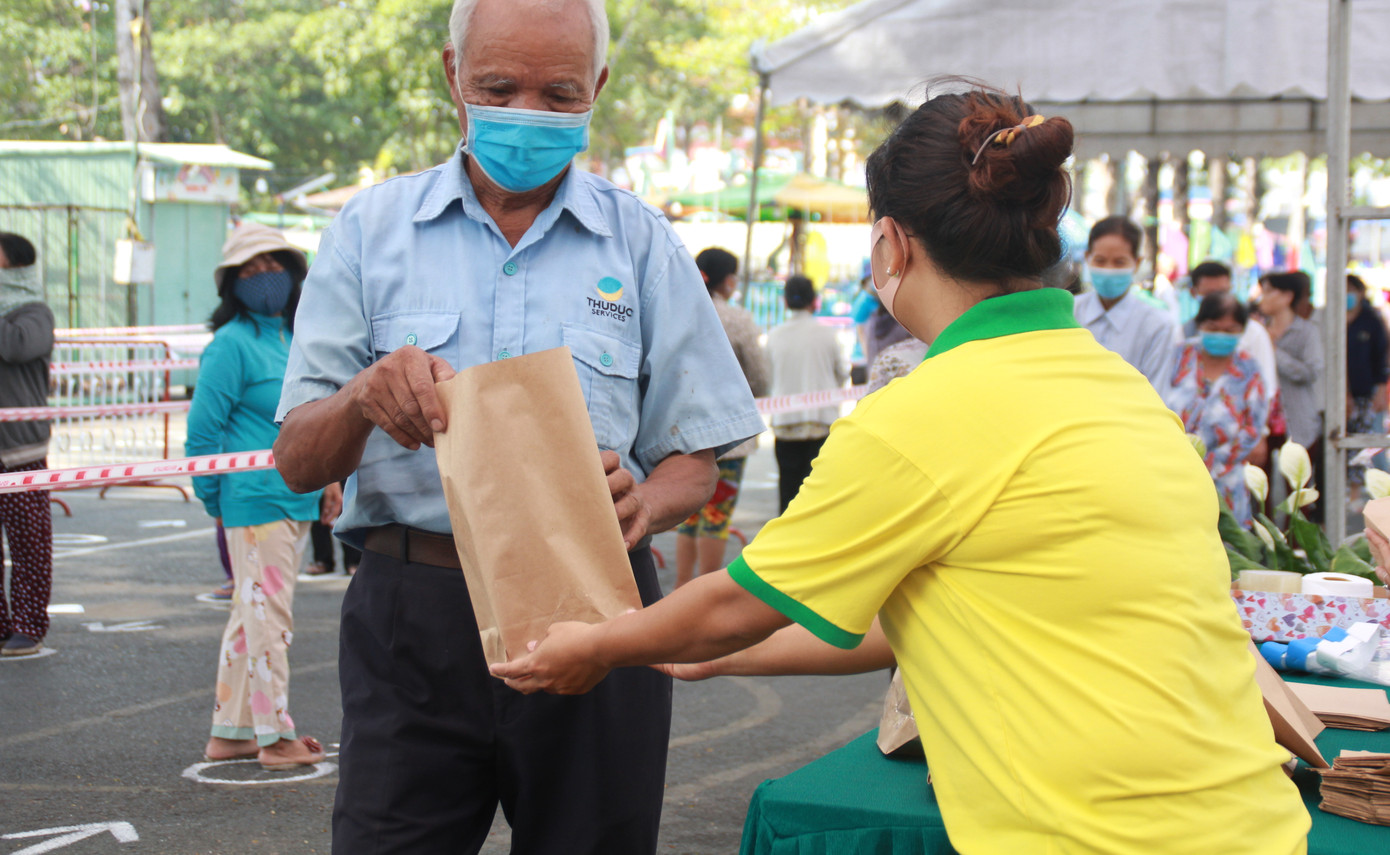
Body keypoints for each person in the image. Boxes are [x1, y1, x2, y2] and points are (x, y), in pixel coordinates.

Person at [492, 84, 1309, 855]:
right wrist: (699, 653)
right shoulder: (1116, 385)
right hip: (1254, 821)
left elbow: (737, 602)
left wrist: (601, 643)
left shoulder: (924, 412)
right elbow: (914, 619)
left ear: (890, 242)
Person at [272, 0, 763, 855]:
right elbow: (298, 457)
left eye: (559, 93)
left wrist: (647, 502)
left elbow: (702, 452)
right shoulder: (368, 232)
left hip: (600, 608)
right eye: (499, 86)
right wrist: (362, 400)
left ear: (599, 86)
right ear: (452, 73)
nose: (527, 115)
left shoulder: (643, 243)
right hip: (411, 615)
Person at [187, 222, 331, 770]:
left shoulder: (294, 338)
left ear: (294, 274)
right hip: (253, 502)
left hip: (291, 499)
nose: (263, 277)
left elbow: (311, 421)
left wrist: (328, 482)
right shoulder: (229, 346)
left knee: (251, 619)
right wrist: (216, 502)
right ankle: (275, 737)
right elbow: (203, 434)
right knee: (270, 620)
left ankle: (232, 732)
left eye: (272, 265)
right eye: (249, 269)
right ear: (230, 285)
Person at [673, 248, 769, 587]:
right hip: (729, 437)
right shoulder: (738, 319)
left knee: (687, 516)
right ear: (727, 279)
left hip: (680, 435)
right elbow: (759, 377)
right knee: (716, 516)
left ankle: (679, 590)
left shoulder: (676, 312)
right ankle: (703, 594)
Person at [1162, 293, 1268, 526]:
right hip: (1173, 475)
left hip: (1226, 481)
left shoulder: (1249, 368)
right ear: (1200, 325)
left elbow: (1253, 428)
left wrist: (1211, 464)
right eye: (1213, 327)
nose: (1221, 335)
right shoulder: (1178, 356)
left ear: (1241, 330)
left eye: (1230, 330)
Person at [0, 233, 54, 658]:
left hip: (19, 450)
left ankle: (29, 624)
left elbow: (16, 347)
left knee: (29, 542)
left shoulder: (34, 312)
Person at [766, 274, 848, 514]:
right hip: (821, 423)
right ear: (814, 300)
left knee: (788, 494)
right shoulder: (827, 334)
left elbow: (767, 375)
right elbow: (842, 373)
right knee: (816, 498)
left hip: (785, 424)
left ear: (786, 301)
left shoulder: (774, 335)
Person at [1073, 215, 1182, 388]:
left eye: (1119, 262)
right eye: (1100, 261)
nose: (1108, 270)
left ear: (1137, 263)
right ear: (1087, 257)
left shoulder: (1157, 325)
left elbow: (1156, 392)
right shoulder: (1069, 312)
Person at [1185, 259, 1278, 405]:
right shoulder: (1183, 335)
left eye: (1222, 292)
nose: (1217, 300)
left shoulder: (1254, 333)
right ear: (1194, 292)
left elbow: (1267, 390)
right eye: (1212, 328)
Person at [1258, 271, 1324, 453]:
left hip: (1299, 422)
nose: (1262, 297)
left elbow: (1311, 372)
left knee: (1299, 478)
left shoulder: (1307, 331)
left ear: (1288, 296)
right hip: (1262, 422)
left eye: (1269, 291)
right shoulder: (1258, 331)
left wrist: (1274, 352)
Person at [1345, 273, 1388, 496]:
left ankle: (1370, 491)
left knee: (1370, 442)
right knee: (1344, 442)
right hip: (1341, 394)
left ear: (1361, 293)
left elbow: (1380, 357)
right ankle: (1351, 490)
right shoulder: (1333, 319)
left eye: (1351, 289)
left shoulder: (1371, 320)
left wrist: (1381, 389)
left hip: (1367, 392)